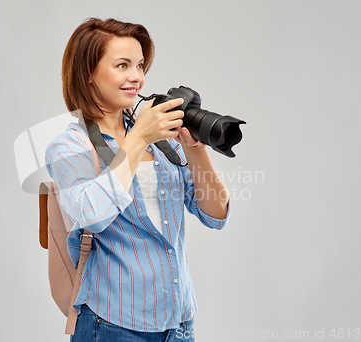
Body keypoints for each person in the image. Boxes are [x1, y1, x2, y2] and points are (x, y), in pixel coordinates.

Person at [45, 18, 230, 342]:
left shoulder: (162, 143)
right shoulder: (69, 146)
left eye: (140, 65)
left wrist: (196, 150)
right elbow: (90, 213)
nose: (137, 77)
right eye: (122, 65)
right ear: (88, 72)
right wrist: (139, 137)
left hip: (178, 324)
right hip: (113, 325)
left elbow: (216, 214)